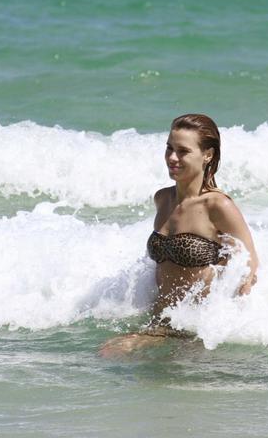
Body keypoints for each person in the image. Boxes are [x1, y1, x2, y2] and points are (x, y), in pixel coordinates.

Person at [100, 114, 259, 356]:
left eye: (183, 151)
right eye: (169, 149)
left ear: (208, 155)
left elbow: (248, 266)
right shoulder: (163, 199)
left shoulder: (217, 205)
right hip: (160, 323)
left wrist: (221, 327)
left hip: (195, 330)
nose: (172, 158)